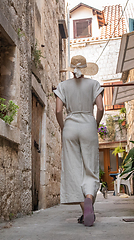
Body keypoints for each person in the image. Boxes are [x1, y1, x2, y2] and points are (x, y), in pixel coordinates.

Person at [53, 55, 104, 227]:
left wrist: (63, 127)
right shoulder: (94, 84)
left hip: (70, 125)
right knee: (90, 167)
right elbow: (101, 108)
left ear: (71, 68)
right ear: (85, 68)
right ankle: (89, 198)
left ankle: (84, 210)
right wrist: (95, 124)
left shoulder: (63, 86)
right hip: (88, 124)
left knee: (74, 169)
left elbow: (58, 110)